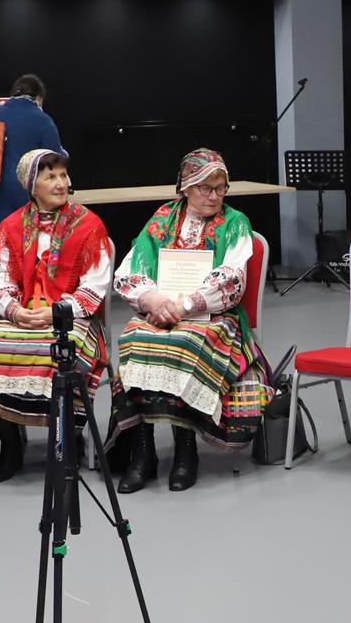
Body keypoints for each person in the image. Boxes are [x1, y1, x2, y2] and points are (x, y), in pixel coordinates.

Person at [108, 148, 266, 493]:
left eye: (221, 188)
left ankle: (185, 450)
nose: (214, 196)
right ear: (186, 188)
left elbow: (231, 280)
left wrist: (184, 306)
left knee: (183, 342)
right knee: (134, 338)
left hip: (215, 315)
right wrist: (152, 299)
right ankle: (143, 453)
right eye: (205, 188)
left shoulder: (235, 223)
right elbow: (129, 269)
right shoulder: (162, 219)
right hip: (162, 309)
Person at [0, 148, 111, 482]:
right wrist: (15, 311)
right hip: (22, 314)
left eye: (63, 175)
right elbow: (0, 281)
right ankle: (11, 443)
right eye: (50, 177)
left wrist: (55, 313)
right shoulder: (10, 227)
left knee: (61, 356)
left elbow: (94, 288)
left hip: (72, 318)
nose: (61, 183)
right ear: (31, 186)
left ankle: (68, 438)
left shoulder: (88, 225)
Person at [0, 74, 66, 243]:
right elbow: (55, 162)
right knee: (20, 246)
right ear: (39, 98)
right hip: (17, 196)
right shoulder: (42, 120)